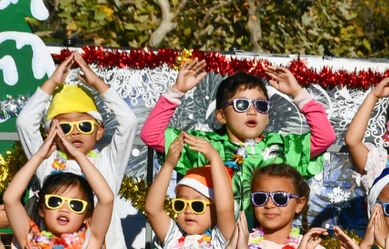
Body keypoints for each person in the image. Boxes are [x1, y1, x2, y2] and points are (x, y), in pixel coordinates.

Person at [16, 51, 138, 249]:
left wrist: (97, 84)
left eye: (84, 125)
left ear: (98, 131)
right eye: (65, 126)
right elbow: (24, 124)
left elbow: (129, 123)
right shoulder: (47, 162)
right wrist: (50, 85)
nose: (75, 133)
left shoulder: (107, 162)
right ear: (52, 132)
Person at [140, 61, 336, 202]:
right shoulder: (201, 146)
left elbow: (325, 137)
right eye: (241, 104)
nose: (252, 111)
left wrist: (297, 93)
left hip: (263, 245)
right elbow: (151, 135)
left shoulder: (281, 147)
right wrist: (176, 91)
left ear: (267, 117)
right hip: (211, 245)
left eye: (260, 105)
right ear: (221, 116)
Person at [247, 164, 326, 249]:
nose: (269, 205)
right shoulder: (241, 246)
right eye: (260, 198)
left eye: (280, 198)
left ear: (299, 204)